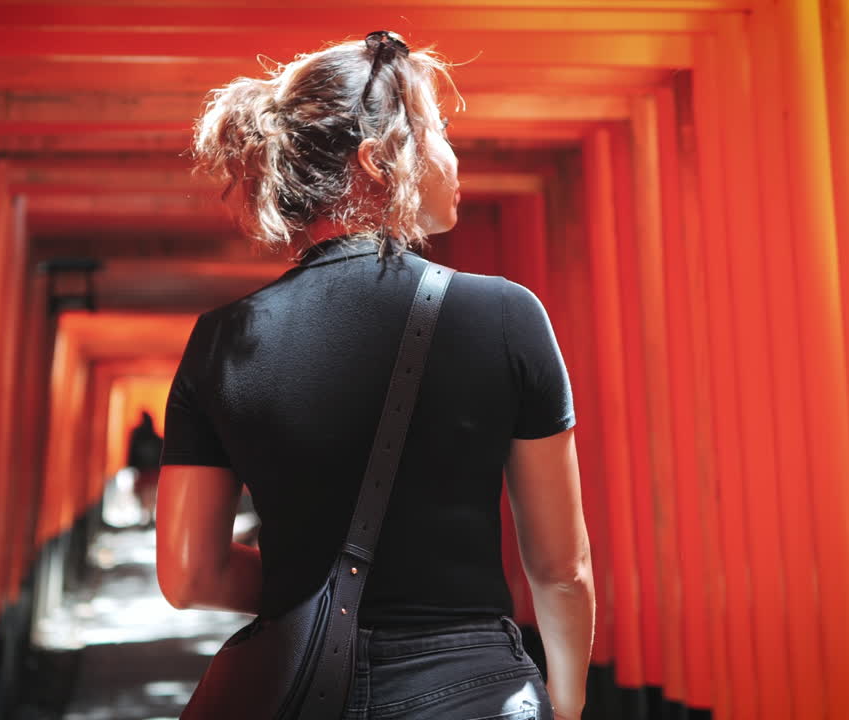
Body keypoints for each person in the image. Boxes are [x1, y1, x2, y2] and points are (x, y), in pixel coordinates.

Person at [156, 31, 594, 720]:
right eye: (439, 132)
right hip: (471, 694)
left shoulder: (223, 339)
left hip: (295, 694)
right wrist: (566, 703)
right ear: (378, 160)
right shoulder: (505, 315)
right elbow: (561, 571)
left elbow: (190, 576)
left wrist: (312, 577)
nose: (452, 153)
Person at [127, 411, 164, 529]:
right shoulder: (157, 439)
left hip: (143, 471)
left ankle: (146, 516)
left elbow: (132, 453)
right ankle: (150, 516)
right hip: (152, 471)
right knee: (151, 493)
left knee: (144, 493)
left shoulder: (137, 436)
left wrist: (131, 465)